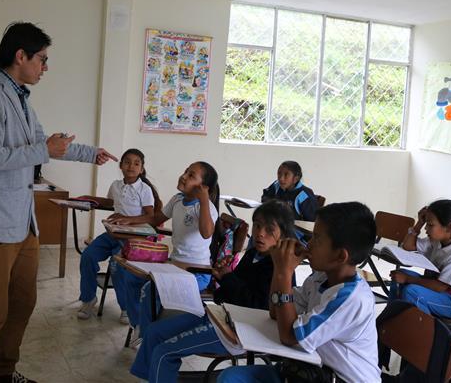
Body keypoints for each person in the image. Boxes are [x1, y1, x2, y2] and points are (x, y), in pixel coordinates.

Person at [0, 22, 117, 383]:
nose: (45, 68)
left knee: (23, 303)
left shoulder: (19, 98)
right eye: (42, 60)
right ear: (21, 56)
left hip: (21, 223)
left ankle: (4, 372)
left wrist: (89, 153)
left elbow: (43, 143)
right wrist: (42, 149)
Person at [130, 200, 297, 383]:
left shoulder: (281, 270)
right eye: (257, 226)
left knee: (165, 352)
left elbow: (258, 307)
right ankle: (151, 378)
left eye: (269, 230)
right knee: (154, 332)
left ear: (284, 236)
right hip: (220, 315)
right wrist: (221, 276)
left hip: (239, 332)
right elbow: (234, 289)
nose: (260, 233)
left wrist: (228, 278)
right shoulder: (252, 254)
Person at [218, 202, 380, 383]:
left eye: (317, 239)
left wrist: (284, 272)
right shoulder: (320, 277)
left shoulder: (351, 299)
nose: (308, 244)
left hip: (339, 378)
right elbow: (275, 311)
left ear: (340, 256)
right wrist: (279, 267)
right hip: (307, 370)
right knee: (231, 378)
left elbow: (289, 336)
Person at [116, 161, 220, 341]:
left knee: (150, 289)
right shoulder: (178, 199)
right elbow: (156, 219)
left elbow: (206, 232)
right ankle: (140, 327)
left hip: (196, 273)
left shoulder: (207, 207)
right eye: (186, 171)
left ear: (204, 187)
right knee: (130, 276)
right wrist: (129, 220)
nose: (184, 176)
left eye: (191, 175)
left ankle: (148, 336)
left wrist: (204, 199)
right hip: (174, 265)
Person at [77, 148, 162, 323]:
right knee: (88, 256)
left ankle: (125, 308)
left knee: (117, 267)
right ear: (120, 165)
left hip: (133, 239)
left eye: (136, 163)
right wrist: (87, 202)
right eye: (127, 162)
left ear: (142, 168)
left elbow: (150, 217)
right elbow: (111, 205)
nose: (131, 166)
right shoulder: (115, 185)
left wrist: (127, 219)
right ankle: (88, 299)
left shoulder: (144, 189)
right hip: (112, 234)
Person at [389, 199, 451, 320]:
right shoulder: (438, 241)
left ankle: (426, 333)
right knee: (399, 275)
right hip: (440, 288)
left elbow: (440, 287)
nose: (426, 228)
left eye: (430, 224)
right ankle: (392, 320)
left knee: (412, 292)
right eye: (426, 223)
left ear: (449, 227)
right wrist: (418, 224)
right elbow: (408, 246)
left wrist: (408, 279)